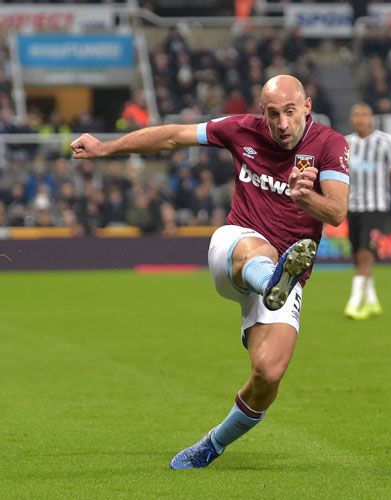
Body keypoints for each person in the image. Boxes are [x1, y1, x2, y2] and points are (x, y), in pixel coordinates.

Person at [70, 75, 350, 469]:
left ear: (306, 106)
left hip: (287, 274)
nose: (282, 124)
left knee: (268, 376)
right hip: (236, 247)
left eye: (290, 112)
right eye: (273, 114)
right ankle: (270, 279)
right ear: (261, 112)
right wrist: (105, 148)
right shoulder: (241, 130)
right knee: (263, 250)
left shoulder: (330, 144)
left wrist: (306, 197)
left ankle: (211, 444)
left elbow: (336, 211)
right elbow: (173, 137)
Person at [343, 103, 391, 320]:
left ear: (371, 118)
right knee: (357, 255)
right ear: (352, 119)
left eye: (364, 115)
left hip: (377, 207)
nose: (360, 119)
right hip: (352, 207)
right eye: (356, 115)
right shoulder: (346, 143)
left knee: (365, 254)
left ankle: (354, 303)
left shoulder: (385, 141)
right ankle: (372, 301)